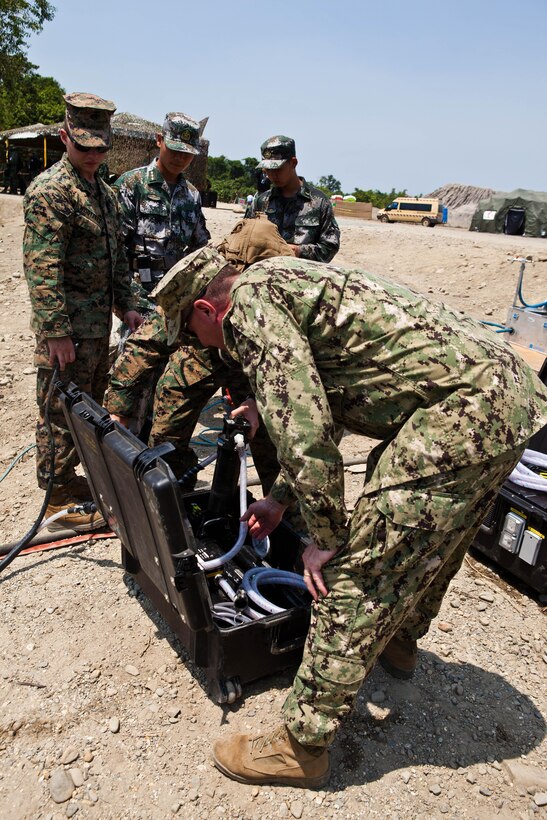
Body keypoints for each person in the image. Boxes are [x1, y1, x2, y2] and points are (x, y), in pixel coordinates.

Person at [153, 247, 547, 789]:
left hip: (462, 412)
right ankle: (400, 642)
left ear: (206, 308)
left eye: (191, 333)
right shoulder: (281, 279)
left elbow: (305, 429)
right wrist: (283, 499)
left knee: (355, 573)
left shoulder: (248, 307)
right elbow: (331, 399)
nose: (199, 346)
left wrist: (326, 536)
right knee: (439, 540)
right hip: (508, 397)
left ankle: (302, 746)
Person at [23, 92, 142, 532]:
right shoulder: (51, 192)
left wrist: (127, 306)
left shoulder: (104, 194)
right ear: (63, 138)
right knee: (58, 410)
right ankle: (56, 491)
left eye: (100, 147)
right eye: (83, 146)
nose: (92, 155)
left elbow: (116, 260)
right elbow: (42, 266)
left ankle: (82, 479)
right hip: (67, 330)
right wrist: (55, 331)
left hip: (96, 330)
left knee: (89, 407)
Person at [106, 112, 210, 439]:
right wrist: (125, 306)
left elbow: (200, 250)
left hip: (175, 311)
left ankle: (150, 459)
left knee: (165, 391)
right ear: (159, 141)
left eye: (187, 153)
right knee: (129, 389)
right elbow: (115, 252)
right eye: (175, 149)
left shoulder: (191, 196)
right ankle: (122, 459)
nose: (180, 158)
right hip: (138, 310)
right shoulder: (131, 185)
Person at [249, 135, 340, 263]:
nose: (272, 175)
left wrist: (298, 251)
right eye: (268, 170)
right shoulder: (261, 201)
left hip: (303, 278)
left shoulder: (318, 202)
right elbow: (246, 237)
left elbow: (330, 246)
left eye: (277, 169)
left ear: (293, 163)